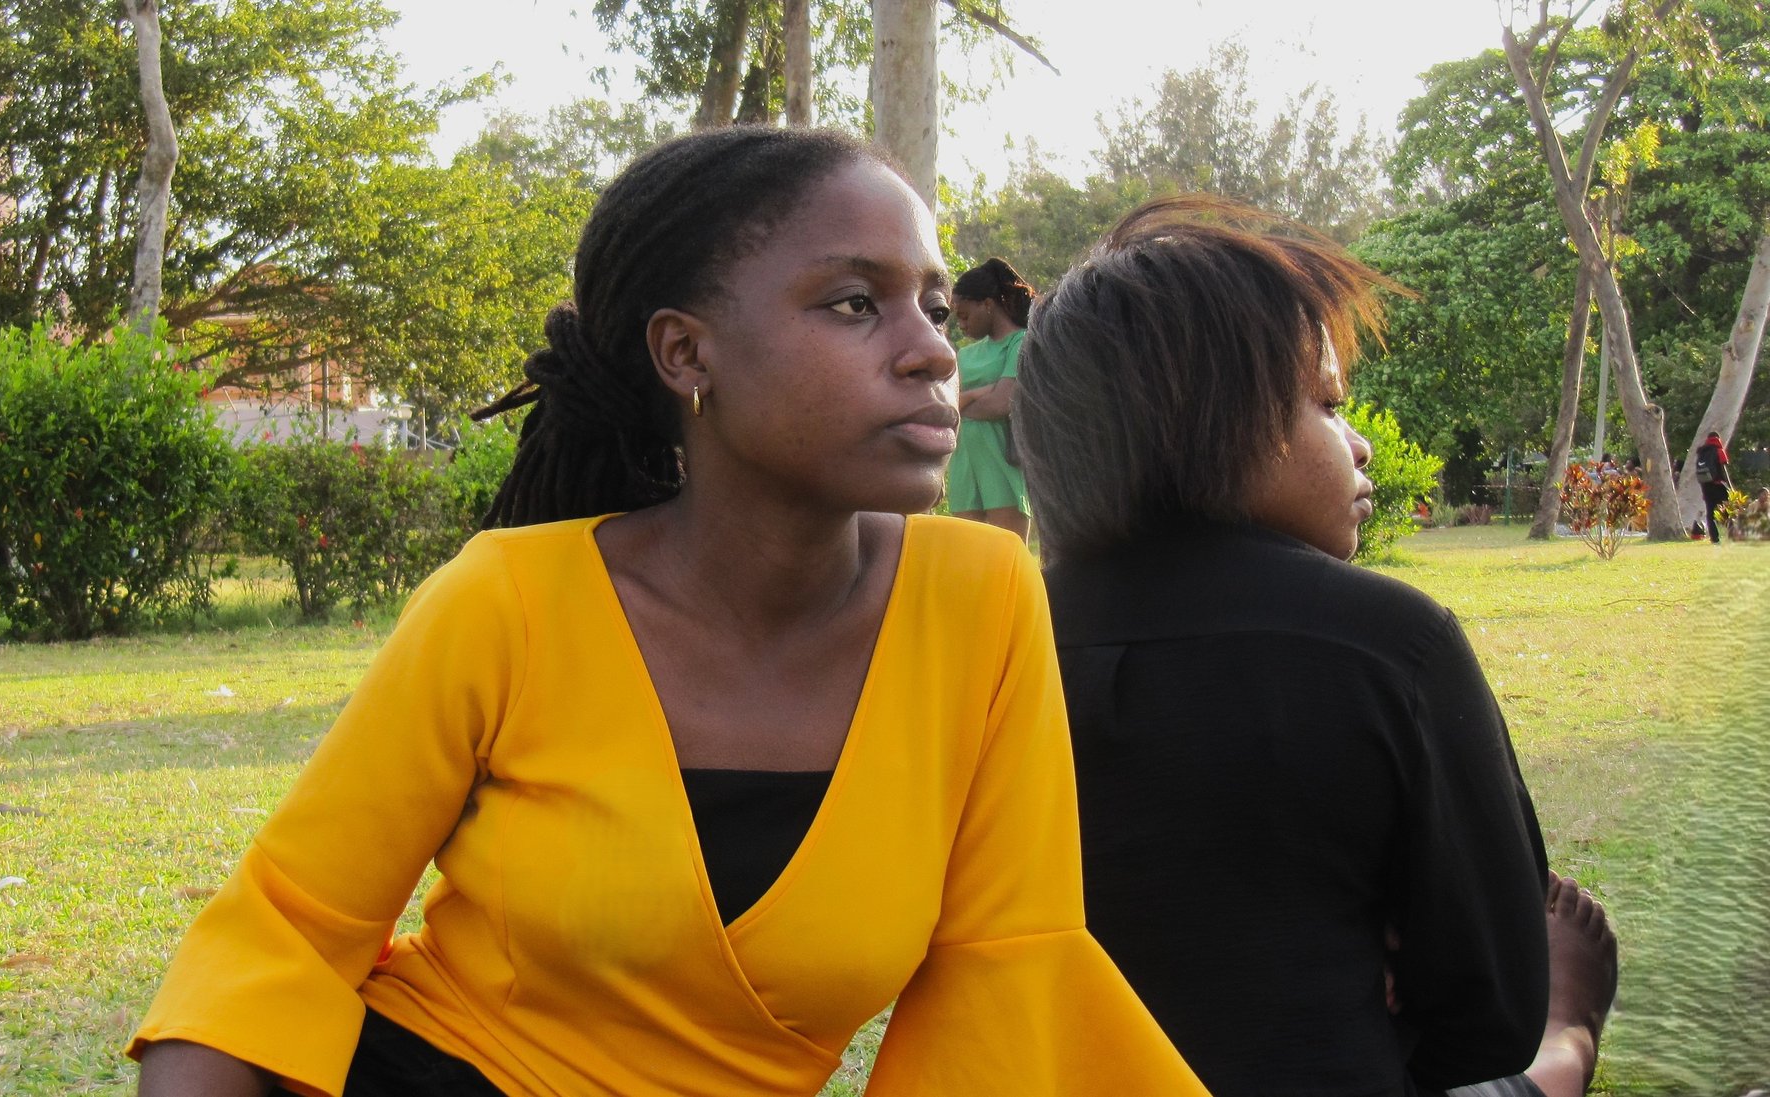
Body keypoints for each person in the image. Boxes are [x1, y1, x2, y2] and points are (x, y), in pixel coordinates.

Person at [128, 129, 1205, 1097]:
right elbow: (280, 931)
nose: (929, 350)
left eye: (930, 304)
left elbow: (1006, 972)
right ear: (687, 353)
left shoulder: (982, 598)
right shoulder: (507, 598)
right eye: (851, 303)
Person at [1017, 195, 1615, 1097]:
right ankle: (1571, 1047)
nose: (1361, 442)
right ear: (1219, 420)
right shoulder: (1391, 644)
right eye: (1330, 405)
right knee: (1534, 1057)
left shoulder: (996, 649)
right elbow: (1490, 1007)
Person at [946, 258, 1034, 539]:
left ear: (987, 304)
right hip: (964, 466)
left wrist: (961, 402)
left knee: (1007, 557)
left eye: (964, 315)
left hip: (1001, 462)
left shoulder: (1020, 342)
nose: (960, 324)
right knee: (969, 561)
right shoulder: (965, 354)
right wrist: (980, 392)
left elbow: (1002, 403)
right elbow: (944, 404)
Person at [1695, 430, 1733, 544]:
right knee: (1726, 510)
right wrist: (1730, 487)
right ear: (1718, 439)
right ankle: (1729, 535)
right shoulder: (1719, 451)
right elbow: (1723, 470)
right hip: (1719, 485)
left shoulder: (1701, 453)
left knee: (1710, 512)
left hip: (1706, 486)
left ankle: (1714, 538)